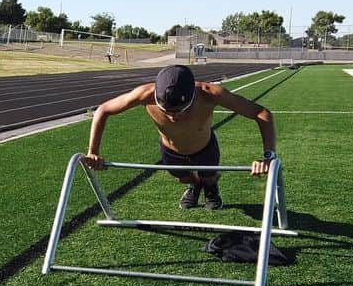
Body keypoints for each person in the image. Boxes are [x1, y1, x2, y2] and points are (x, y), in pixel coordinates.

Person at [83, 64, 277, 209]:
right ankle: (194, 186)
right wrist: (93, 152)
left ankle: (211, 187)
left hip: (205, 148)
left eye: (181, 111)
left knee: (209, 177)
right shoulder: (144, 94)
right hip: (171, 151)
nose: (173, 117)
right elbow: (103, 110)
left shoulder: (211, 94)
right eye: (166, 112)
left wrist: (268, 157)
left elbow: (262, 114)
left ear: (192, 95)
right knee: (184, 178)